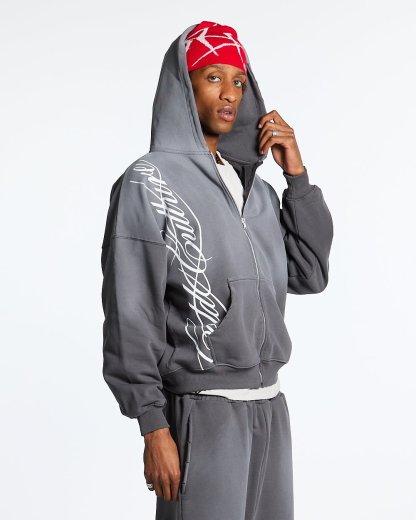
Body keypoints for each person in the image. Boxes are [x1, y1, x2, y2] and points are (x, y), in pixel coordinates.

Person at [100, 20, 333, 520]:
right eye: (213, 77)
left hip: (270, 409)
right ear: (184, 86)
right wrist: (153, 426)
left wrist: (296, 177)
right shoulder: (149, 182)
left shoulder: (259, 193)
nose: (230, 93)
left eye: (239, 81)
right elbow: (131, 311)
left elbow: (311, 272)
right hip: (201, 412)